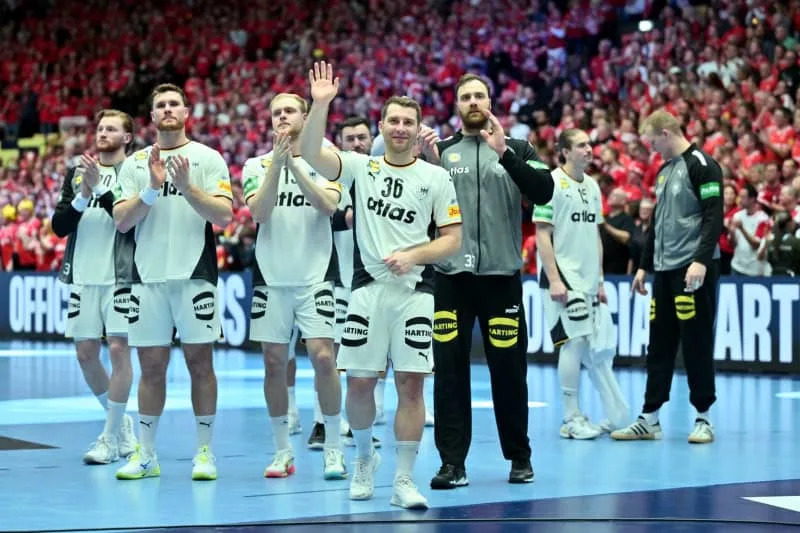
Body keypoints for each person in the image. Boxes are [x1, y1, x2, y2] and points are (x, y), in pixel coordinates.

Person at [300, 61, 462, 509]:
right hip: (366, 290)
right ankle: (365, 459)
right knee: (360, 385)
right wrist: (320, 105)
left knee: (411, 385)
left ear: (417, 129)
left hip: (415, 293)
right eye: (393, 120)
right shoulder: (359, 168)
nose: (401, 128)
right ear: (381, 125)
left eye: (409, 122)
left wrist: (413, 254)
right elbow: (312, 152)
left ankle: (404, 480)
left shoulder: (436, 177)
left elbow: (453, 239)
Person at [430, 73, 553, 489]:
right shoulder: (441, 152)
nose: (473, 101)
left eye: (479, 94)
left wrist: (504, 153)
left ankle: (519, 457)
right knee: (448, 373)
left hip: (501, 278)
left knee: (509, 371)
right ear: (457, 105)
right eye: (465, 96)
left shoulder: (518, 147)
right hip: (451, 278)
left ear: (490, 101)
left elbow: (544, 190)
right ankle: (452, 463)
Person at [112, 83, 233, 479]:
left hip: (195, 276)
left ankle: (205, 452)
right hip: (147, 278)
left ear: (186, 112)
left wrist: (187, 188)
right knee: (151, 366)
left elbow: (223, 216)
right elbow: (122, 220)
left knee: (200, 363)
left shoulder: (207, 158)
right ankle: (146, 454)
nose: (167, 109)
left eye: (173, 104)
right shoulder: (134, 164)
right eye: (160, 105)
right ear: (151, 116)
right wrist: (151, 187)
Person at [241, 92, 347, 480]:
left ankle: (333, 447)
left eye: (289, 110)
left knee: (323, 357)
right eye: (276, 112)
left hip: (316, 274)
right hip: (272, 276)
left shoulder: (329, 159)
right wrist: (277, 166)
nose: (282, 116)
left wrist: (296, 166)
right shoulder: (255, 164)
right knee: (273, 362)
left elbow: (328, 206)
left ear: (306, 116)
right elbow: (259, 211)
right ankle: (282, 450)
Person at [611, 109, 723, 444]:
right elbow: (658, 222)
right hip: (664, 270)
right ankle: (650, 417)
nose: (652, 150)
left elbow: (714, 216)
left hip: (693, 268)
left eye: (652, 142)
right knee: (658, 343)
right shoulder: (663, 172)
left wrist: (701, 260)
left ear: (665, 133)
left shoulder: (702, 165)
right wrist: (645, 265)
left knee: (696, 341)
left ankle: (703, 417)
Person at [51, 109, 137, 464]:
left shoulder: (137, 171)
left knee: (118, 349)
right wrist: (82, 195)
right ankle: (120, 426)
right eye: (100, 128)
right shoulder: (76, 173)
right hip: (83, 274)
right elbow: (59, 225)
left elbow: (127, 222)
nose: (103, 133)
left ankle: (108, 435)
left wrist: (99, 189)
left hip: (122, 274)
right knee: (86, 355)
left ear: (127, 137)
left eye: (111, 129)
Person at [533, 129, 628, 440]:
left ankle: (598, 413)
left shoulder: (592, 185)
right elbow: (542, 234)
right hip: (561, 281)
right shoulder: (550, 183)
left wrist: (599, 280)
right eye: (582, 145)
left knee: (591, 347)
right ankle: (571, 417)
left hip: (588, 283)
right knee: (572, 344)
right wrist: (557, 280)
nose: (590, 149)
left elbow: (595, 237)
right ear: (565, 152)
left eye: (590, 144)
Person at [307, 116, 384, 451]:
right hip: (337, 278)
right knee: (331, 355)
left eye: (362, 137)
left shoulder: (384, 176)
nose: (357, 143)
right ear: (339, 143)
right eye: (349, 139)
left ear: (371, 140)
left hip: (374, 281)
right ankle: (322, 423)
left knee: (371, 357)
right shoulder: (331, 175)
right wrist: (349, 215)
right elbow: (326, 213)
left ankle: (359, 424)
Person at [600, 188, 636, 275]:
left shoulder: (626, 218)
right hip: (601, 266)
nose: (611, 197)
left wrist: (606, 226)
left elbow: (626, 238)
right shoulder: (606, 217)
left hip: (618, 268)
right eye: (611, 195)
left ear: (623, 201)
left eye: (615, 196)